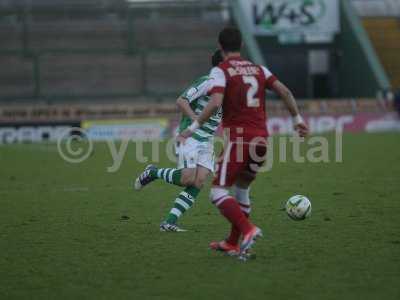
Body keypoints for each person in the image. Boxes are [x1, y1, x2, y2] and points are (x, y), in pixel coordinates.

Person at [178, 27, 309, 258]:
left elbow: (215, 102)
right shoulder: (260, 69)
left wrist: (192, 127)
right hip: (262, 141)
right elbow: (285, 91)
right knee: (242, 190)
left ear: (220, 46)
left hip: (240, 140)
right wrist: (297, 119)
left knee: (217, 192)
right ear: (241, 46)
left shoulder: (221, 71)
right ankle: (232, 242)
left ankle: (248, 230)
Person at [134, 50, 224, 232]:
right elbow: (181, 100)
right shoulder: (208, 82)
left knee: (199, 182)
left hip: (207, 140)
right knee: (187, 179)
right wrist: (195, 121)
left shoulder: (229, 89)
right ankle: (153, 173)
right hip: (190, 136)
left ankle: (169, 222)